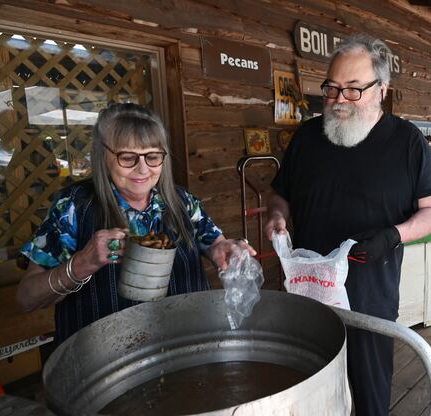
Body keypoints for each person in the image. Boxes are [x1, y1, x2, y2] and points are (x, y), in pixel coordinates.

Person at [265, 34, 431, 415]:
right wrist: (278, 216)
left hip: (370, 302)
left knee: (368, 397)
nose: (338, 100)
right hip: (309, 294)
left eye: (352, 90)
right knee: (310, 393)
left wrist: (394, 235)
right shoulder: (308, 137)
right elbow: (281, 194)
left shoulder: (407, 142)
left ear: (382, 90)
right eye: (331, 89)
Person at [17, 103, 255, 345]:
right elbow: (27, 298)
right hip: (104, 359)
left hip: (186, 346)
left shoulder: (183, 202)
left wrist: (220, 250)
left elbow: (216, 245)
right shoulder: (73, 206)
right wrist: (81, 264)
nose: (143, 169)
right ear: (102, 155)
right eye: (127, 157)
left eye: (152, 156)